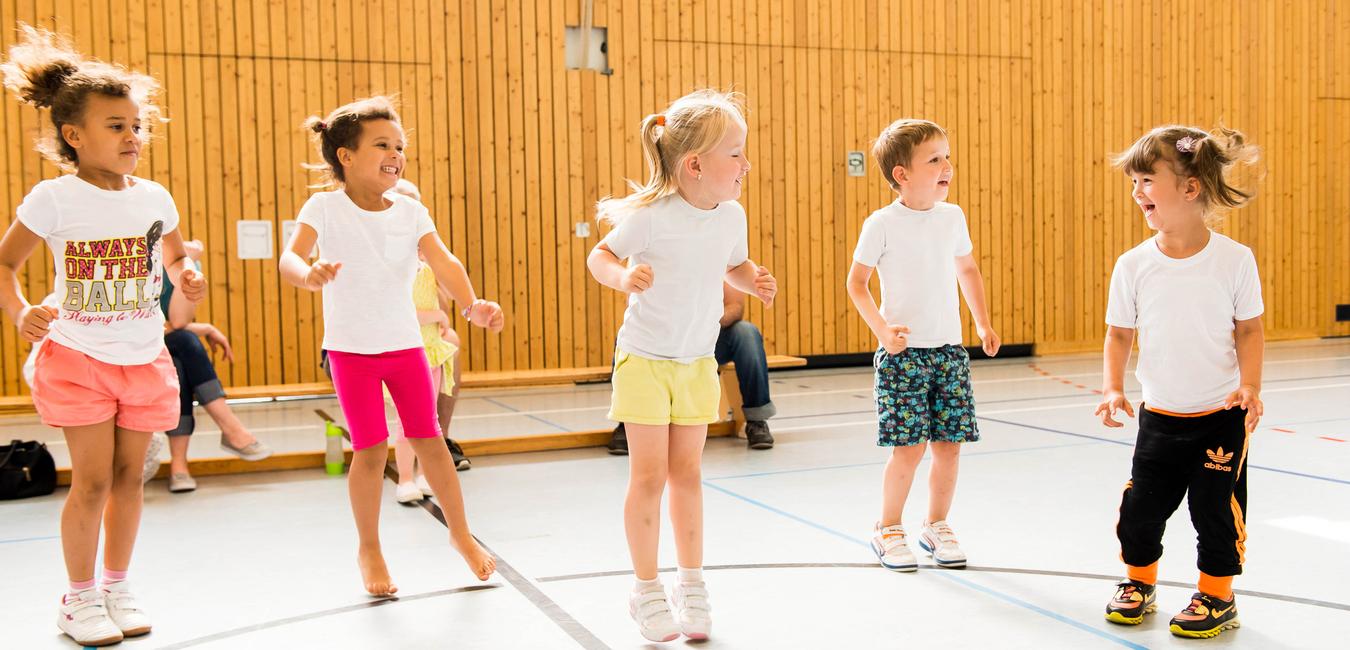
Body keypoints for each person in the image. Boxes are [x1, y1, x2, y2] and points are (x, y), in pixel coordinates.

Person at [0, 25, 205, 646]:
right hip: (79, 356)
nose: (132, 137)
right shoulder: (54, 198)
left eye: (136, 126)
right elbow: (5, 265)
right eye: (116, 126)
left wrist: (186, 275)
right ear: (74, 135)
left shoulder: (155, 197)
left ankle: (117, 584)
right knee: (89, 481)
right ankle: (79, 597)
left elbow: (171, 260)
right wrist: (19, 313)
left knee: (127, 479)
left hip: (143, 357)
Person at [280, 95, 502, 596]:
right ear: (346, 156)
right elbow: (289, 258)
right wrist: (308, 274)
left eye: (400, 146)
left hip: (404, 346)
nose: (396, 154)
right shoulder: (325, 207)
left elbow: (445, 263)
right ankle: (370, 548)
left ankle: (462, 535)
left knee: (431, 441)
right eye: (382, 144)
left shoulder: (411, 211)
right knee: (370, 447)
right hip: (351, 350)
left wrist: (471, 306)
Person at [587, 89, 776, 642]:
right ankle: (646, 588)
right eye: (736, 154)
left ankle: (690, 583)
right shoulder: (651, 217)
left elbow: (734, 265)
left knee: (688, 475)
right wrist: (623, 278)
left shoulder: (731, 215)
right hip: (645, 361)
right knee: (648, 477)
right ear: (696, 164)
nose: (746, 164)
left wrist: (752, 280)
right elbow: (601, 255)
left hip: (696, 363)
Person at [1098, 125, 1263, 639]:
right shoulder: (1133, 266)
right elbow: (1119, 334)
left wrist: (1251, 386)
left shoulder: (1235, 260)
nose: (1137, 192)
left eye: (1147, 179)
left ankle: (1217, 595)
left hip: (1220, 416)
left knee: (1214, 508)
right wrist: (1112, 387)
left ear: (1190, 189)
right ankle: (1138, 583)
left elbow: (1250, 329)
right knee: (1142, 507)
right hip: (1160, 416)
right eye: (1133, 182)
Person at [846, 119, 1000, 573]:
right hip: (904, 357)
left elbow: (967, 270)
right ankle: (888, 527)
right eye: (934, 159)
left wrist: (982, 322)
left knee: (949, 445)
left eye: (947, 156)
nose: (947, 166)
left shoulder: (952, 218)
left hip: (950, 353)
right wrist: (882, 330)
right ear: (902, 175)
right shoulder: (882, 224)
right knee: (908, 448)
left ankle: (937, 524)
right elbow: (857, 284)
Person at [608, 281, 777, 454]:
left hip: (708, 340)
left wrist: (705, 320)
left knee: (747, 332)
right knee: (627, 335)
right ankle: (627, 423)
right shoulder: (653, 257)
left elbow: (736, 307)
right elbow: (637, 304)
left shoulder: (720, 257)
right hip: (663, 338)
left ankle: (757, 421)